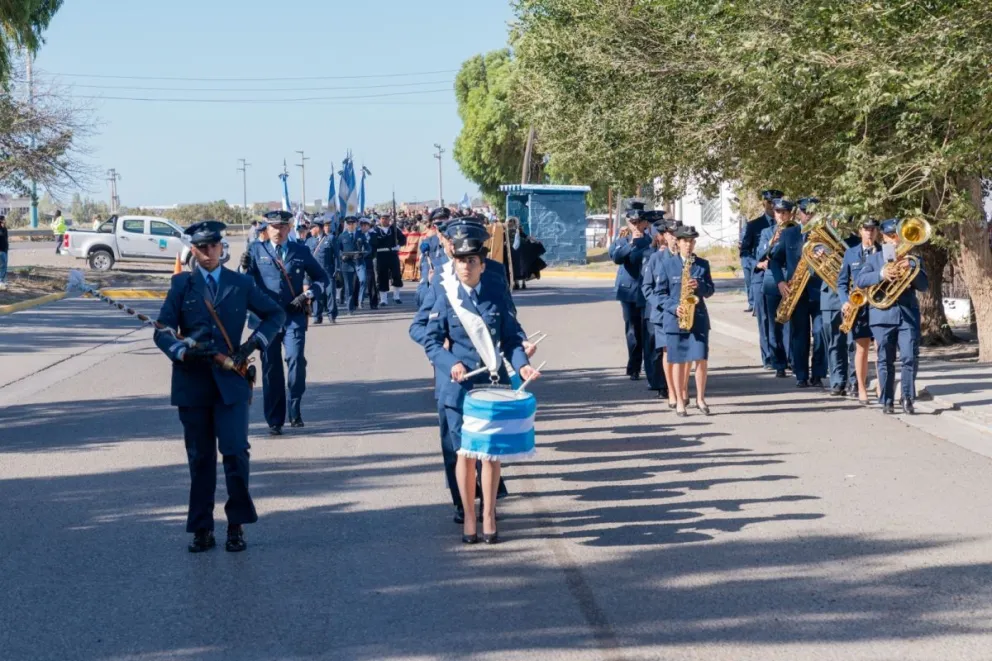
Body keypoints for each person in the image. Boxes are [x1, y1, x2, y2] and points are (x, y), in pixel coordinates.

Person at [154, 221, 286, 553]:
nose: (209, 252)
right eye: (202, 247)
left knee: (235, 453)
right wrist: (182, 351)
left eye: (214, 246)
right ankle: (202, 528)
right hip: (192, 382)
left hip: (231, 381)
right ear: (193, 250)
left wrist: (253, 344)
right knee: (200, 459)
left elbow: (275, 315)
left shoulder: (240, 283)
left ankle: (236, 525)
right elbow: (162, 329)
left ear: (221, 248)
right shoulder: (182, 284)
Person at [422, 221, 540, 544]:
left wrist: (523, 366)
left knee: (489, 453)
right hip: (458, 388)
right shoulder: (446, 295)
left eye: (472, 261)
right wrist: (451, 363)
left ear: (482, 265)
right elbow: (431, 340)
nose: (465, 266)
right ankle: (469, 516)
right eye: (461, 260)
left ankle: (489, 514)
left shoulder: (495, 292)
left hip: (490, 386)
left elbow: (511, 338)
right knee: (465, 453)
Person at [240, 210, 330, 434]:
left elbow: (322, 278)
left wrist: (307, 295)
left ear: (289, 228)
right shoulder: (256, 250)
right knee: (271, 368)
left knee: (295, 359)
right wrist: (242, 268)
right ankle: (275, 420)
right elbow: (242, 282)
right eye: (273, 227)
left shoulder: (300, 250)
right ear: (266, 229)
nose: (277, 231)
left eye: (281, 227)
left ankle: (295, 407)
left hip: (293, 317)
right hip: (267, 320)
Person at [854, 218, 928, 414]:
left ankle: (907, 397)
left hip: (907, 315)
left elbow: (924, 286)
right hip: (882, 316)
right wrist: (881, 274)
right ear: (884, 237)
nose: (895, 240)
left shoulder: (913, 260)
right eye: (891, 236)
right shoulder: (874, 259)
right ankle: (886, 399)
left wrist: (912, 269)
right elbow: (860, 280)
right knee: (885, 359)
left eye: (898, 236)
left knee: (909, 357)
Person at [655, 225, 715, 416]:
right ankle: (680, 401)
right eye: (685, 241)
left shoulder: (702, 264)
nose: (688, 245)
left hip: (698, 318)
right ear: (678, 243)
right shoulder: (667, 264)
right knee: (678, 360)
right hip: (676, 319)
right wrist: (674, 307)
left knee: (701, 359)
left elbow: (710, 290)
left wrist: (700, 285)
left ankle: (700, 399)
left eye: (691, 241)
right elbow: (660, 294)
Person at [770, 197, 827, 388]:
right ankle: (801, 375)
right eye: (805, 211)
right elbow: (775, 260)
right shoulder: (789, 234)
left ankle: (818, 374)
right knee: (800, 335)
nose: (808, 215)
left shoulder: (826, 234)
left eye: (812, 212)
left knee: (820, 333)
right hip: (797, 292)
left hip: (820, 290)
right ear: (799, 213)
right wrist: (780, 281)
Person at [837, 218, 881, 404]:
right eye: (866, 229)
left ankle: (881, 387)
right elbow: (841, 282)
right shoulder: (851, 253)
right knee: (861, 350)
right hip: (859, 308)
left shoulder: (884, 251)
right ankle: (862, 388)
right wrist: (844, 302)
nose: (869, 232)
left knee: (881, 349)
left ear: (877, 232)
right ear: (860, 231)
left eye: (872, 229)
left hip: (879, 305)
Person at [609, 202, 652, 381]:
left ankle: (651, 368)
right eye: (632, 222)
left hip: (648, 292)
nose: (635, 226)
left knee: (648, 331)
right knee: (633, 331)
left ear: (645, 223)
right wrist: (632, 243)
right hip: (629, 293)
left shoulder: (652, 241)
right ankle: (634, 367)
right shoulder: (622, 241)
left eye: (638, 222)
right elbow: (616, 258)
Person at [819, 217, 862, 397]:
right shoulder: (819, 243)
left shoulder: (857, 242)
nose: (837, 223)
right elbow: (811, 271)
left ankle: (854, 382)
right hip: (830, 298)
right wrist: (821, 259)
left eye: (842, 219)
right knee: (834, 343)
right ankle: (837, 381)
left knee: (853, 343)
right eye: (833, 219)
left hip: (853, 298)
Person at [641, 216, 677, 403]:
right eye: (669, 234)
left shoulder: (685, 256)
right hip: (658, 309)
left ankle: (676, 385)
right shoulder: (653, 256)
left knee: (676, 350)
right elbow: (647, 286)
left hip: (678, 310)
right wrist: (660, 303)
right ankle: (661, 384)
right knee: (657, 350)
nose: (673, 238)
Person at [759, 198, 794, 378]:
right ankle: (779, 362)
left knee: (792, 323)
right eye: (778, 212)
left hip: (792, 280)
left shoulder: (796, 230)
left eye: (784, 212)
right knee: (775, 324)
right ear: (774, 213)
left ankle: (792, 360)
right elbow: (759, 254)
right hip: (773, 281)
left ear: (790, 214)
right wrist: (773, 241)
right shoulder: (767, 232)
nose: (781, 216)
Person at [740, 190, 779, 314]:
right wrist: (757, 264)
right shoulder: (753, 225)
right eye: (769, 202)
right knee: (765, 318)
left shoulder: (789, 226)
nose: (772, 205)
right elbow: (744, 252)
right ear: (764, 203)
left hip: (783, 277)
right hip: (762, 276)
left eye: (775, 202)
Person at [305, 219, 339, 324]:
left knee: (330, 294)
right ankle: (317, 316)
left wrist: (337, 269)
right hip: (315, 274)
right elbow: (306, 258)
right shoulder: (309, 241)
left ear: (318, 228)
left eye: (312, 228)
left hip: (328, 272)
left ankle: (331, 315)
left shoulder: (330, 238)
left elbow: (336, 255)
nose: (310, 230)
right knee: (317, 295)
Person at [335, 216, 369, 314]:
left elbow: (368, 248)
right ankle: (350, 308)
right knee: (348, 287)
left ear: (356, 224)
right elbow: (337, 250)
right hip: (347, 263)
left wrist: (363, 254)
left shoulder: (361, 235)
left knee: (363, 280)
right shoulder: (342, 236)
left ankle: (360, 300)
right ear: (346, 225)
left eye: (353, 223)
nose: (351, 225)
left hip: (359, 262)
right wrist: (342, 256)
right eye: (349, 223)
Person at [372, 213, 406, 306]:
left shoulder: (394, 229)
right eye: (383, 218)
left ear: (389, 220)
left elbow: (403, 239)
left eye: (386, 219)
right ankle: (383, 299)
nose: (385, 220)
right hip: (381, 255)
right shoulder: (375, 230)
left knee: (396, 275)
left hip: (392, 254)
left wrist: (398, 245)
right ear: (380, 220)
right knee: (382, 276)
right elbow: (372, 243)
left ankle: (396, 297)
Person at [358, 217, 378, 309]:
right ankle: (356, 303)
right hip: (358, 260)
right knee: (356, 282)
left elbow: (375, 247)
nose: (363, 227)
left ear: (369, 226)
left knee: (371, 282)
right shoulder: (357, 234)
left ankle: (373, 303)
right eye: (362, 225)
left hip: (369, 259)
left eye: (365, 225)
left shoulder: (373, 235)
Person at [0, 215, 8, 291]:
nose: (4, 221)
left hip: (4, 250)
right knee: (2, 266)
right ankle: (1, 282)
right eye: (3, 220)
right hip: (1, 250)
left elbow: (5, 237)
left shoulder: (4, 228)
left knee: (4, 266)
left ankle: (3, 281)